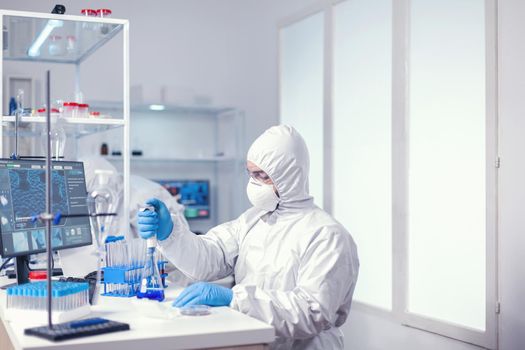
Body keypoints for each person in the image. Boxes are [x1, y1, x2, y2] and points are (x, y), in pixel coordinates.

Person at [137, 125, 359, 349]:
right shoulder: (253, 220)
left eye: (263, 176)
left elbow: (312, 312)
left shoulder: (326, 235)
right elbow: (210, 256)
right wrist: (170, 234)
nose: (254, 183)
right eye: (252, 174)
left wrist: (235, 299)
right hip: (254, 341)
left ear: (290, 177)